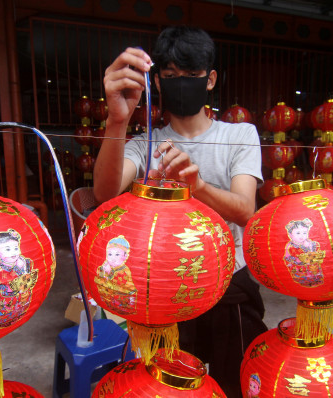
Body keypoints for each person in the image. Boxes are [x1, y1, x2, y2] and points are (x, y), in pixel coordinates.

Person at [94, 25, 267, 397]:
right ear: (156, 82)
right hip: (163, 289)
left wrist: (198, 187)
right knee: (168, 384)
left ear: (210, 80)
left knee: (232, 379)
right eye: (170, 76)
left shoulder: (240, 135)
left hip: (227, 282)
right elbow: (104, 194)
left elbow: (246, 211)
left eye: (191, 75)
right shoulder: (145, 144)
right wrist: (118, 119)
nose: (180, 83)